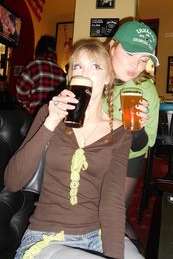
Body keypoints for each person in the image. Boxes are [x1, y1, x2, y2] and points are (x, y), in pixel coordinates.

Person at [4, 39, 132, 259]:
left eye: (95, 66)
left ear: (108, 78)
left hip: (96, 236)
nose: (85, 73)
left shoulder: (120, 132)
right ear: (70, 76)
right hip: (45, 237)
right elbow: (12, 181)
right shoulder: (49, 114)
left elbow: (112, 201)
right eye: (78, 67)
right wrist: (50, 123)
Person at [103, 20, 160, 245]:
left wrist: (136, 131)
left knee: (113, 216)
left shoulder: (146, 89)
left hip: (127, 160)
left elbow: (144, 146)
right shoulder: (91, 75)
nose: (135, 65)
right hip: (89, 156)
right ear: (112, 46)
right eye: (130, 53)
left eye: (143, 59)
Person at [16, 35, 66, 116]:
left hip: (34, 117)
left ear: (39, 49)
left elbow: (20, 91)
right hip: (54, 117)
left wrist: (27, 105)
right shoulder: (61, 71)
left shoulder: (34, 65)